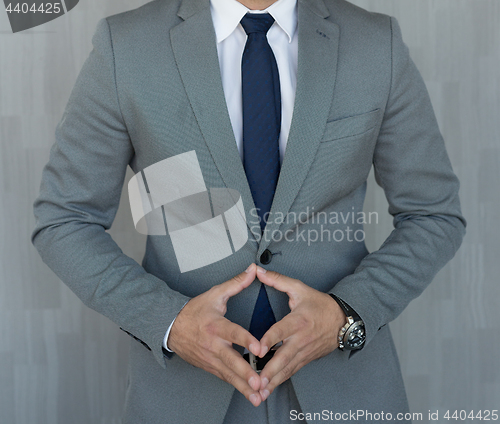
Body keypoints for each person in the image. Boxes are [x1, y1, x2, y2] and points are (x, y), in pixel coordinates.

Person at [31, 0, 466, 422]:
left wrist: (346, 312)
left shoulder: (375, 43)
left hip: (345, 389)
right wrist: (168, 322)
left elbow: (433, 213)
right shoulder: (125, 45)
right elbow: (64, 218)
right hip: (184, 396)